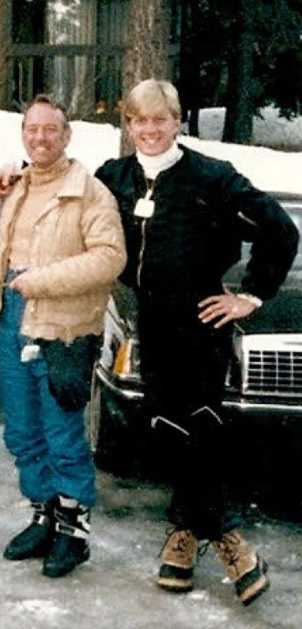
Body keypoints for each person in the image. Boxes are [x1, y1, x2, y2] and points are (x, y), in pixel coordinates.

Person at [94, 79, 299, 606]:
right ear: (128, 122)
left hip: (203, 323)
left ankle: (218, 539)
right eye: (140, 120)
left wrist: (250, 295)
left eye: (160, 119)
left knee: (202, 430)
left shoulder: (211, 177)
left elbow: (280, 229)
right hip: (152, 324)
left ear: (178, 120)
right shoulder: (114, 178)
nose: (150, 129)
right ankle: (193, 531)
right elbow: (68, 204)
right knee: (167, 430)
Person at [0, 94, 126, 578]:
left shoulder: (89, 191)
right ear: (23, 135)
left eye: (51, 129)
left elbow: (111, 257)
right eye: (33, 129)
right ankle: (43, 515)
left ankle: (74, 531)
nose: (41, 137)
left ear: (67, 136)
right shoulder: (17, 184)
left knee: (62, 431)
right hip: (12, 317)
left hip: (63, 325)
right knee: (23, 430)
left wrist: (42, 281)